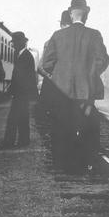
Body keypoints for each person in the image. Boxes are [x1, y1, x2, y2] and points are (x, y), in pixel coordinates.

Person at [41, 0, 109, 173]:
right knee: (88, 125)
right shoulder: (94, 34)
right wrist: (90, 74)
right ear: (86, 14)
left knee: (61, 126)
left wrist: (59, 74)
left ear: (71, 14)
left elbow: (46, 63)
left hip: (61, 91)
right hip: (86, 91)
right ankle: (87, 163)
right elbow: (103, 60)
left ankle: (62, 165)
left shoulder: (57, 35)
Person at [38, 10, 72, 168]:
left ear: (61, 23)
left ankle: (60, 157)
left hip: (53, 87)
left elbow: (41, 68)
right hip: (68, 88)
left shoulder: (52, 39)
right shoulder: (78, 39)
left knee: (56, 122)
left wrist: (52, 77)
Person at [2, 31, 38, 148]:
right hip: (22, 93)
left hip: (21, 93)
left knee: (13, 118)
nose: (13, 45)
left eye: (14, 43)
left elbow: (20, 77)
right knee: (22, 117)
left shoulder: (24, 56)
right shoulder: (23, 55)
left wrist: (12, 91)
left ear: (19, 43)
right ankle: (23, 140)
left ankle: (9, 142)